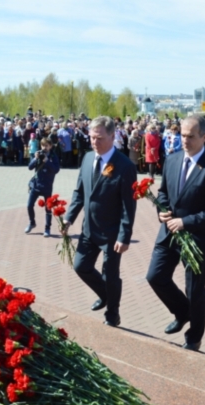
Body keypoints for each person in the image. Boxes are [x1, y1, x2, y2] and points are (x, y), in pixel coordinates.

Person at [145, 115, 205, 351]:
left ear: (204, 137)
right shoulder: (171, 161)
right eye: (182, 135)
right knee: (155, 276)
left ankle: (194, 337)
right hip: (169, 233)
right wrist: (161, 210)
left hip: (197, 238)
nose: (185, 140)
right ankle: (182, 312)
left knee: (194, 289)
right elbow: (163, 193)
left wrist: (186, 222)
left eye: (191, 136)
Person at [63, 116, 137, 327]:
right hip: (89, 228)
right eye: (92, 137)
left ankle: (113, 313)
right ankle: (106, 294)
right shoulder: (87, 159)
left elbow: (128, 206)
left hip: (112, 231)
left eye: (100, 138)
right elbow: (79, 192)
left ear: (113, 136)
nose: (94, 142)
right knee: (80, 266)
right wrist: (68, 219)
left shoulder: (124, 166)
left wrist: (125, 236)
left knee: (110, 274)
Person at [26, 138, 60, 237]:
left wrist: (47, 162)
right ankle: (32, 223)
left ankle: (47, 228)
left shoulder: (53, 156)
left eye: (46, 145)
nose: (44, 148)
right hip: (36, 184)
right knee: (29, 205)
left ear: (50, 146)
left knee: (48, 208)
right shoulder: (38, 154)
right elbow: (30, 167)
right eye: (43, 145)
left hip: (47, 186)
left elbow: (56, 170)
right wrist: (35, 158)